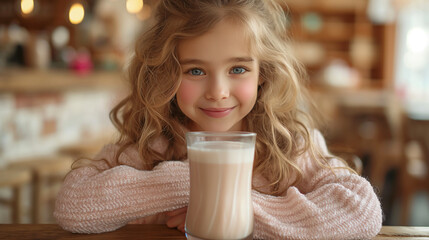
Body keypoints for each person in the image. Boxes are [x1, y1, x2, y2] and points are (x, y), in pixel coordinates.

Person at [54, 0, 382, 239]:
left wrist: (239, 209)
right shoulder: (152, 144)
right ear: (167, 73)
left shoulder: (288, 144)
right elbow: (71, 205)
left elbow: (362, 211)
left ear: (262, 74)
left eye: (237, 69)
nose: (217, 91)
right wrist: (188, 183)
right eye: (195, 71)